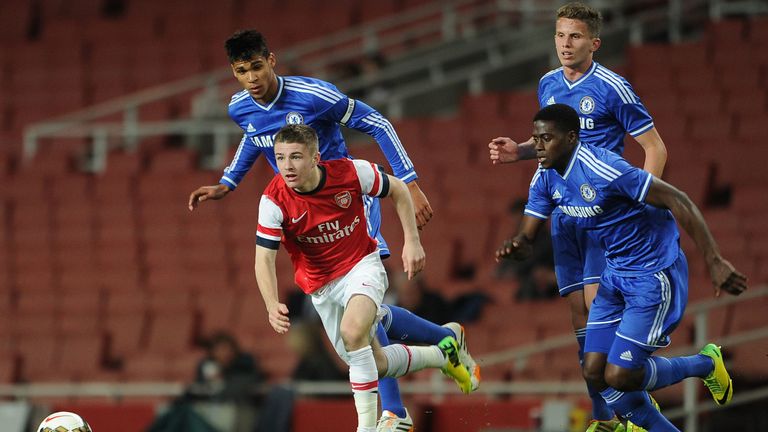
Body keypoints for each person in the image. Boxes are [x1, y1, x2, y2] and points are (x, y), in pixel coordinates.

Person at [188, 29, 479, 431]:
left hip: (347, 198)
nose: (251, 77)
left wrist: (409, 180)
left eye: (256, 66)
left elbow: (376, 123)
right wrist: (228, 182)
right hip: (302, 216)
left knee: (362, 314)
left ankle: (394, 412)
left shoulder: (314, 96)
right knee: (362, 327)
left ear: (271, 60)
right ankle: (445, 341)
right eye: (242, 71)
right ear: (234, 73)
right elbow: (253, 138)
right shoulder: (240, 107)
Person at [497, 104, 747, 432]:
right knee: (593, 371)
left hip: (652, 273)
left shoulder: (604, 169)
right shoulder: (545, 176)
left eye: (547, 138)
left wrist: (714, 260)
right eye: (535, 139)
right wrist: (519, 246)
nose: (538, 147)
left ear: (571, 138)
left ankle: (705, 363)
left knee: (621, 375)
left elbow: (679, 199)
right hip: (615, 272)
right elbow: (528, 233)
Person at [488, 3, 667, 429]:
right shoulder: (548, 83)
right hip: (564, 215)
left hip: (602, 214)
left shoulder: (612, 88)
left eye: (575, 37)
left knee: (596, 308)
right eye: (560, 35)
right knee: (578, 319)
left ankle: (637, 397)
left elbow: (656, 148)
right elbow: (552, 142)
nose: (565, 44)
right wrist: (521, 150)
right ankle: (606, 418)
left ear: (594, 43)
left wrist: (640, 203)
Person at [254, 124, 475, 432]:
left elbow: (398, 189)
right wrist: (270, 303)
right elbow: (263, 257)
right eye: (280, 158)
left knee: (353, 330)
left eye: (295, 157)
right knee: (377, 363)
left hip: (361, 265)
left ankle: (371, 426)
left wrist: (412, 240)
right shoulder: (273, 200)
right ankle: (443, 352)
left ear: (316, 157)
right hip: (322, 288)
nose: (287, 166)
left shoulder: (350, 173)